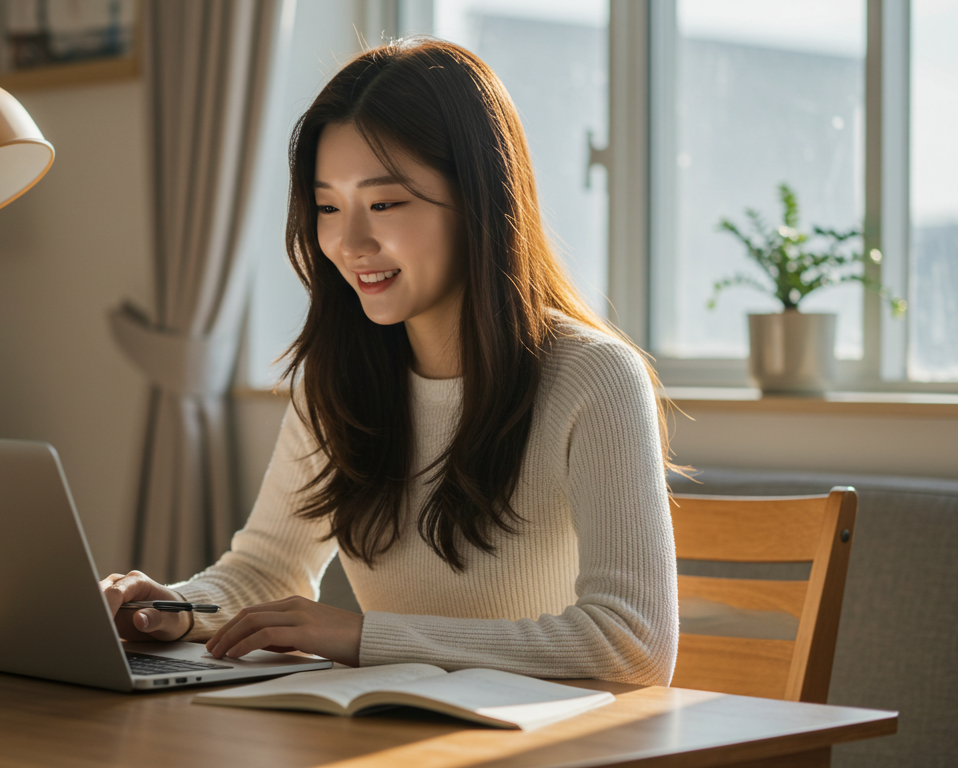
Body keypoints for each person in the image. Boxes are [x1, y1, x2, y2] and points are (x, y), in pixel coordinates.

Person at [101, 38, 680, 685]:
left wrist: (366, 638)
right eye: (327, 207)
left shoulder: (594, 377)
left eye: (384, 204)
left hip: (550, 744)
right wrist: (175, 609)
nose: (349, 243)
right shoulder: (336, 381)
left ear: (479, 199)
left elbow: (633, 641)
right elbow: (267, 569)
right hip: (396, 734)